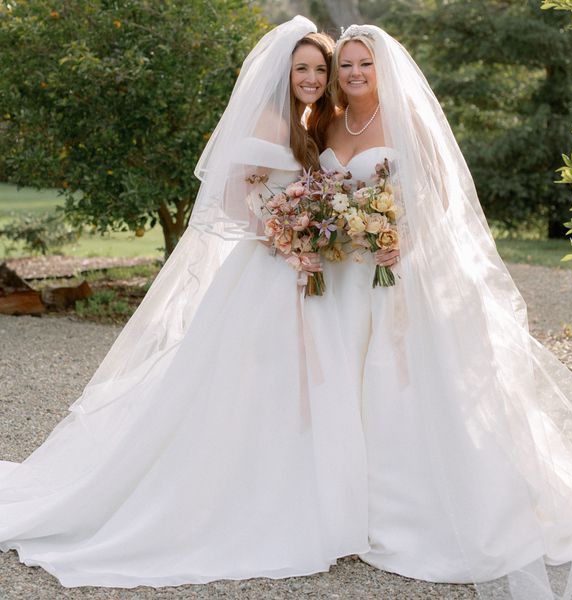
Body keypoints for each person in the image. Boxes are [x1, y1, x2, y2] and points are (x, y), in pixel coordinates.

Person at [0, 17, 374, 588]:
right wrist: (285, 237)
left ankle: (293, 496)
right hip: (267, 273)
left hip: (296, 273)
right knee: (253, 386)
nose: (313, 78)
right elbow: (230, 199)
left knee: (297, 387)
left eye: (320, 70)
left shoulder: (306, 125)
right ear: (285, 71)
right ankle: (232, 501)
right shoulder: (269, 120)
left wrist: (307, 235)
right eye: (304, 68)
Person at [319, 24, 572, 600]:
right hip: (345, 276)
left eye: (363, 65)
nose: (354, 74)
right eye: (345, 65)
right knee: (343, 380)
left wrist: (402, 236)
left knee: (400, 382)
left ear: (383, 68)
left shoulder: (407, 121)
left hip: (401, 271)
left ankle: (412, 512)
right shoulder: (323, 124)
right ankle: (345, 507)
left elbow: (442, 197)